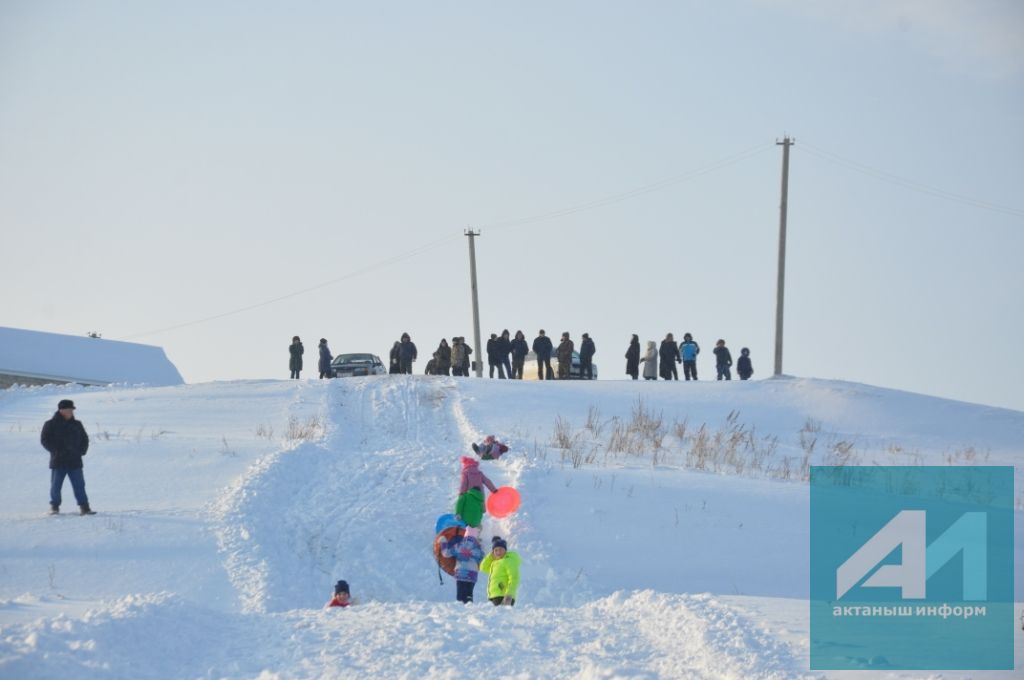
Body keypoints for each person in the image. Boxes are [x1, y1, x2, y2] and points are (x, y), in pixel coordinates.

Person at [40, 399, 95, 515]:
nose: (71, 411)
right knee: (56, 486)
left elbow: (85, 439)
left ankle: (85, 508)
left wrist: (81, 451)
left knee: (79, 485)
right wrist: (56, 451)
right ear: (61, 410)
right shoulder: (50, 424)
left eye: (72, 409)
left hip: (75, 461)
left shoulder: (77, 424)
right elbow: (45, 440)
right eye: (69, 409)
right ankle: (54, 507)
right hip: (58, 461)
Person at [438, 526, 485, 604]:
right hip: (472, 574)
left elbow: (446, 553)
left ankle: (461, 610)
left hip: (461, 573)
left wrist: (443, 541)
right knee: (469, 595)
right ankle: (470, 607)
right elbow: (483, 558)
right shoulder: (478, 549)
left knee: (460, 596)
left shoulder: (458, 546)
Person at [455, 456, 497, 528]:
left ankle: (465, 527)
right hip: (479, 495)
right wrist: (493, 490)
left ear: (465, 465)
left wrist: (461, 493)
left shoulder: (465, 473)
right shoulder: (479, 473)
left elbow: (463, 483)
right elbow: (487, 481)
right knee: (478, 509)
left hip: (469, 494)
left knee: (466, 508)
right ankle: (477, 527)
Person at [479, 536, 521, 606]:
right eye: (496, 550)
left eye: (501, 549)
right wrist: (491, 555)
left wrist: (509, 594)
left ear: (505, 550)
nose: (498, 552)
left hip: (504, 596)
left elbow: (514, 577)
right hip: (493, 595)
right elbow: (483, 567)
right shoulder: (494, 563)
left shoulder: (508, 561)